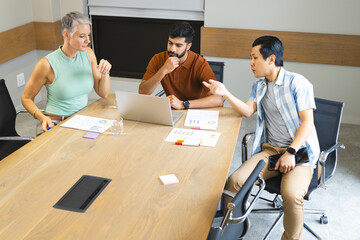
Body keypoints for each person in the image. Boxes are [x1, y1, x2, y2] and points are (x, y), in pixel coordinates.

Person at [203, 36, 320, 240]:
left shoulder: (298, 83)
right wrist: (226, 93)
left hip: (299, 152)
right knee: (235, 182)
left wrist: (291, 152)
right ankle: (231, 231)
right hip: (271, 151)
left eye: (255, 57)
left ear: (271, 59)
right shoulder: (259, 86)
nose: (251, 63)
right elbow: (248, 110)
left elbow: (307, 123)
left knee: (291, 195)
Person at [22, 12, 112, 134]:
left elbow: (103, 93)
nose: (88, 40)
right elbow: (26, 98)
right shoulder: (46, 64)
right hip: (56, 123)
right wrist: (42, 117)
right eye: (82, 36)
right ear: (66, 35)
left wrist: (105, 73)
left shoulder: (89, 54)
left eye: (88, 35)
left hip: (80, 121)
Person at [139, 22, 223, 110]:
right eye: (170, 43)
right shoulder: (158, 59)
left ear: (188, 46)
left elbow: (218, 99)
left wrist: (183, 104)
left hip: (196, 111)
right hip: (172, 112)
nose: (172, 49)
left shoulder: (200, 63)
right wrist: (163, 70)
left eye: (178, 45)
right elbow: (143, 92)